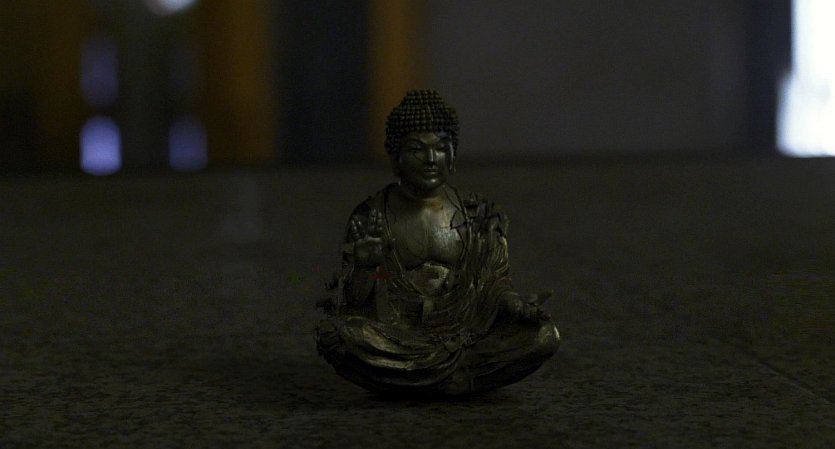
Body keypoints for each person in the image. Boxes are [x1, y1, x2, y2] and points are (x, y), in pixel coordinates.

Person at [316, 90, 558, 395]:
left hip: (468, 331)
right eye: (417, 149)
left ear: (453, 154)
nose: (431, 160)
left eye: (441, 148)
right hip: (399, 335)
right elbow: (355, 303)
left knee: (543, 336)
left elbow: (495, 284)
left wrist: (518, 308)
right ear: (395, 156)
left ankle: (417, 380)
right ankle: (456, 378)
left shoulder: (478, 214)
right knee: (337, 337)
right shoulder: (371, 217)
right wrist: (365, 267)